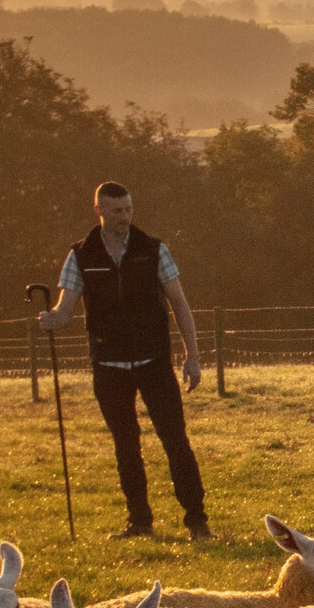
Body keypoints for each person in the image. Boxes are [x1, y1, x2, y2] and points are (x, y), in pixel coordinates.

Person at [38, 181, 212, 541]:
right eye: (117, 211)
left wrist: (192, 356)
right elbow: (66, 308)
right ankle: (139, 523)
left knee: (175, 441)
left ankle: (197, 522)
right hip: (108, 366)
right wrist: (52, 319)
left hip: (154, 361)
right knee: (125, 444)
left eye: (129, 210)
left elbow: (179, 302)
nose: (125, 217)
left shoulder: (153, 250)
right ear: (99, 210)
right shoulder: (81, 256)